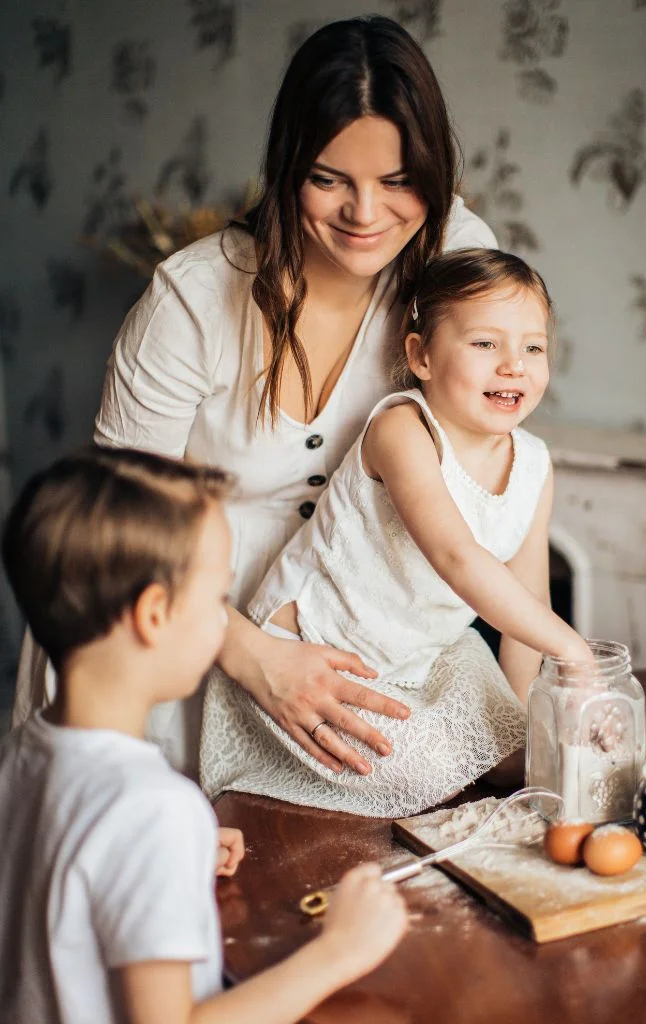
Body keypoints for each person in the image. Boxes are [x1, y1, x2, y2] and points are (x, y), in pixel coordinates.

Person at [14, 15, 497, 781]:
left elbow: (500, 443)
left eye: (397, 181)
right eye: (329, 178)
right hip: (162, 646)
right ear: (287, 165)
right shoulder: (193, 301)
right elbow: (117, 539)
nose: (365, 215)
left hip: (341, 652)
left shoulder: (454, 259)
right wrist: (256, 656)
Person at [0, 447, 407, 1024]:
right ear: (154, 615)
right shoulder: (155, 810)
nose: (224, 621)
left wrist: (165, 860)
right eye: (217, 598)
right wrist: (340, 951)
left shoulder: (25, 750)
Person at [200, 249, 593, 818]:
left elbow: (527, 608)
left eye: (533, 347)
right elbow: (457, 556)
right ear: (422, 356)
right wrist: (573, 649)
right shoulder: (403, 428)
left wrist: (524, 731)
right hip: (312, 655)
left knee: (521, 754)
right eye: (485, 344)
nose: (514, 365)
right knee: (431, 773)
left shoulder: (534, 463)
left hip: (419, 657)